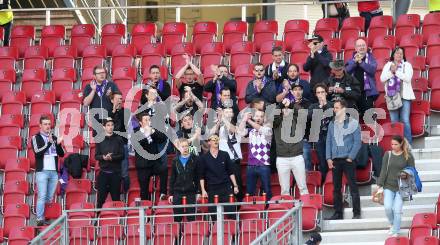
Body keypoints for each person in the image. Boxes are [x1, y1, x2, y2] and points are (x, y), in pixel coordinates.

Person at [326, 99, 362, 220]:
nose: (334, 110)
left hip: (347, 160)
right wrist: (328, 158)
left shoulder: (353, 123)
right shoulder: (332, 124)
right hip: (335, 160)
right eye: (334, 108)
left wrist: (351, 157)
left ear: (343, 109)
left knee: (353, 186)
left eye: (337, 108)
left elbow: (357, 142)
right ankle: (338, 213)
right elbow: (329, 142)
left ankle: (356, 212)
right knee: (336, 188)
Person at [377, 135, 415, 237]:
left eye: (395, 144)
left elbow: (412, 170)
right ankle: (393, 224)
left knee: (397, 210)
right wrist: (380, 184)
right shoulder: (388, 154)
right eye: (392, 144)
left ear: (401, 144)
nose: (393, 146)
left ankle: (396, 230)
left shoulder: (408, 155)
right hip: (388, 186)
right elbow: (383, 170)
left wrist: (406, 173)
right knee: (388, 207)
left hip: (402, 187)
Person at [32, 115, 65, 226]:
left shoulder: (54, 137)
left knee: (49, 197)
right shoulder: (35, 137)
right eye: (45, 124)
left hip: (54, 172)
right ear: (40, 125)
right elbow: (38, 152)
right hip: (42, 171)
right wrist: (49, 143)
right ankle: (39, 218)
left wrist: (59, 144)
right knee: (42, 195)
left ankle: (47, 217)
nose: (47, 126)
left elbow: (61, 154)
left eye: (49, 124)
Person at [273, 96, 309, 196]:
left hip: (297, 157)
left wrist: (292, 105)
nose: (286, 110)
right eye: (284, 109)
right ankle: (287, 209)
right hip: (282, 158)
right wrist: (280, 105)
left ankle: (305, 210)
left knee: (303, 188)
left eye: (288, 109)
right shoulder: (276, 123)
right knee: (284, 190)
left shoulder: (297, 121)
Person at [198, 134, 239, 218]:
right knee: (214, 214)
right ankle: (214, 230)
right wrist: (203, 190)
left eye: (217, 139)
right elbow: (201, 176)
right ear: (209, 142)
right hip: (212, 188)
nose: (216, 141)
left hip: (226, 187)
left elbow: (230, 172)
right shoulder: (203, 158)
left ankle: (233, 230)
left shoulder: (225, 154)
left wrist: (235, 186)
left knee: (231, 212)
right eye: (213, 139)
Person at [380, 47, 414, 145]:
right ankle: (397, 145)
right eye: (397, 53)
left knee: (405, 120)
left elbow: (407, 78)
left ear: (403, 55)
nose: (399, 55)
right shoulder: (388, 65)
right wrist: (391, 72)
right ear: (393, 55)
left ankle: (408, 145)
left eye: (401, 53)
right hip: (392, 97)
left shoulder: (407, 65)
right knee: (394, 122)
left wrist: (396, 72)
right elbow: (382, 78)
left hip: (405, 96)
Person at [132, 110, 167, 200]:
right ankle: (145, 208)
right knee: (144, 191)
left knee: (163, 169)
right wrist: (147, 133)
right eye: (146, 120)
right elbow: (139, 143)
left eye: (149, 120)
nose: (148, 122)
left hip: (154, 163)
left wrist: (153, 132)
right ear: (140, 123)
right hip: (143, 165)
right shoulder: (135, 132)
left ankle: (163, 193)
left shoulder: (153, 130)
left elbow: (163, 138)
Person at [238, 110, 272, 200]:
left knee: (267, 190)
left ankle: (268, 210)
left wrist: (249, 121)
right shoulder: (251, 131)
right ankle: (251, 210)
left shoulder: (268, 130)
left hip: (264, 165)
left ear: (264, 119)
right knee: (249, 191)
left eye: (261, 116)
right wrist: (244, 120)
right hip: (251, 165)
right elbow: (240, 132)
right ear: (253, 117)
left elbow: (260, 129)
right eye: (257, 116)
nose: (258, 118)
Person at [211, 107, 244, 201]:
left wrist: (223, 118)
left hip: (234, 161)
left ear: (233, 114)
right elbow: (211, 133)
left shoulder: (237, 126)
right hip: (222, 162)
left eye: (230, 111)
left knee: (237, 186)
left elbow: (232, 130)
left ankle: (238, 208)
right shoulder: (220, 128)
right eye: (226, 112)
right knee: (224, 186)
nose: (228, 113)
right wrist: (218, 121)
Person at [95, 118, 124, 209]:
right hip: (103, 174)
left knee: (116, 199)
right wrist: (103, 157)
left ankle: (118, 221)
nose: (110, 127)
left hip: (115, 174)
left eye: (112, 125)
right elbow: (96, 156)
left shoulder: (119, 139)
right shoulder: (99, 139)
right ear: (104, 127)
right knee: (100, 199)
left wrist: (111, 158)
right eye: (108, 125)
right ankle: (97, 220)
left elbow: (122, 155)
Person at [346, 38, 379, 117]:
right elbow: (346, 71)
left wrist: (361, 62)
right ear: (356, 48)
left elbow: (372, 70)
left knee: (369, 118)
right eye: (359, 46)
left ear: (366, 47)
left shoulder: (371, 58)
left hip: (367, 92)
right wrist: (355, 62)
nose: (361, 47)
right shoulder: (351, 60)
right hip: (354, 92)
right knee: (353, 118)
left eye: (363, 45)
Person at [83, 65, 120, 136]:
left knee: (112, 145)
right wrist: (93, 90)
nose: (102, 74)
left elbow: (119, 101)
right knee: (100, 145)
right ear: (94, 76)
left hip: (110, 121)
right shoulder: (89, 87)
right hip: (97, 123)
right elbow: (86, 103)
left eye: (103, 72)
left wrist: (111, 96)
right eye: (99, 73)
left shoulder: (112, 85)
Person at [168, 138, 199, 222]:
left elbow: (197, 177)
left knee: (191, 218)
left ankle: (191, 234)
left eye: (186, 146)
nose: (185, 148)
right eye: (183, 146)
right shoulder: (175, 160)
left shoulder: (195, 159)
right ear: (179, 148)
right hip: (177, 191)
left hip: (191, 191)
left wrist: (198, 192)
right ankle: (178, 235)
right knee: (177, 218)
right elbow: (172, 178)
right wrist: (171, 194)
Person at [308, 83, 334, 183]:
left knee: (333, 160)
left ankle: (333, 181)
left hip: (331, 136)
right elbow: (309, 116)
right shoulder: (313, 106)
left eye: (322, 92)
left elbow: (335, 115)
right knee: (323, 161)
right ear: (316, 94)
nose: (320, 94)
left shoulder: (332, 104)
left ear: (326, 93)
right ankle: (324, 183)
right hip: (319, 136)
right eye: (318, 92)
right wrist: (320, 107)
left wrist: (326, 105)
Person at [108, 91, 131, 193]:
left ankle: (126, 192)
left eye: (121, 99)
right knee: (112, 172)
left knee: (124, 172)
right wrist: (113, 111)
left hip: (122, 145)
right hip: (111, 146)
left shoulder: (125, 112)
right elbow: (108, 127)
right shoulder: (108, 113)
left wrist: (117, 111)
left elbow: (121, 126)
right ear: (112, 100)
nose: (119, 101)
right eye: (117, 99)